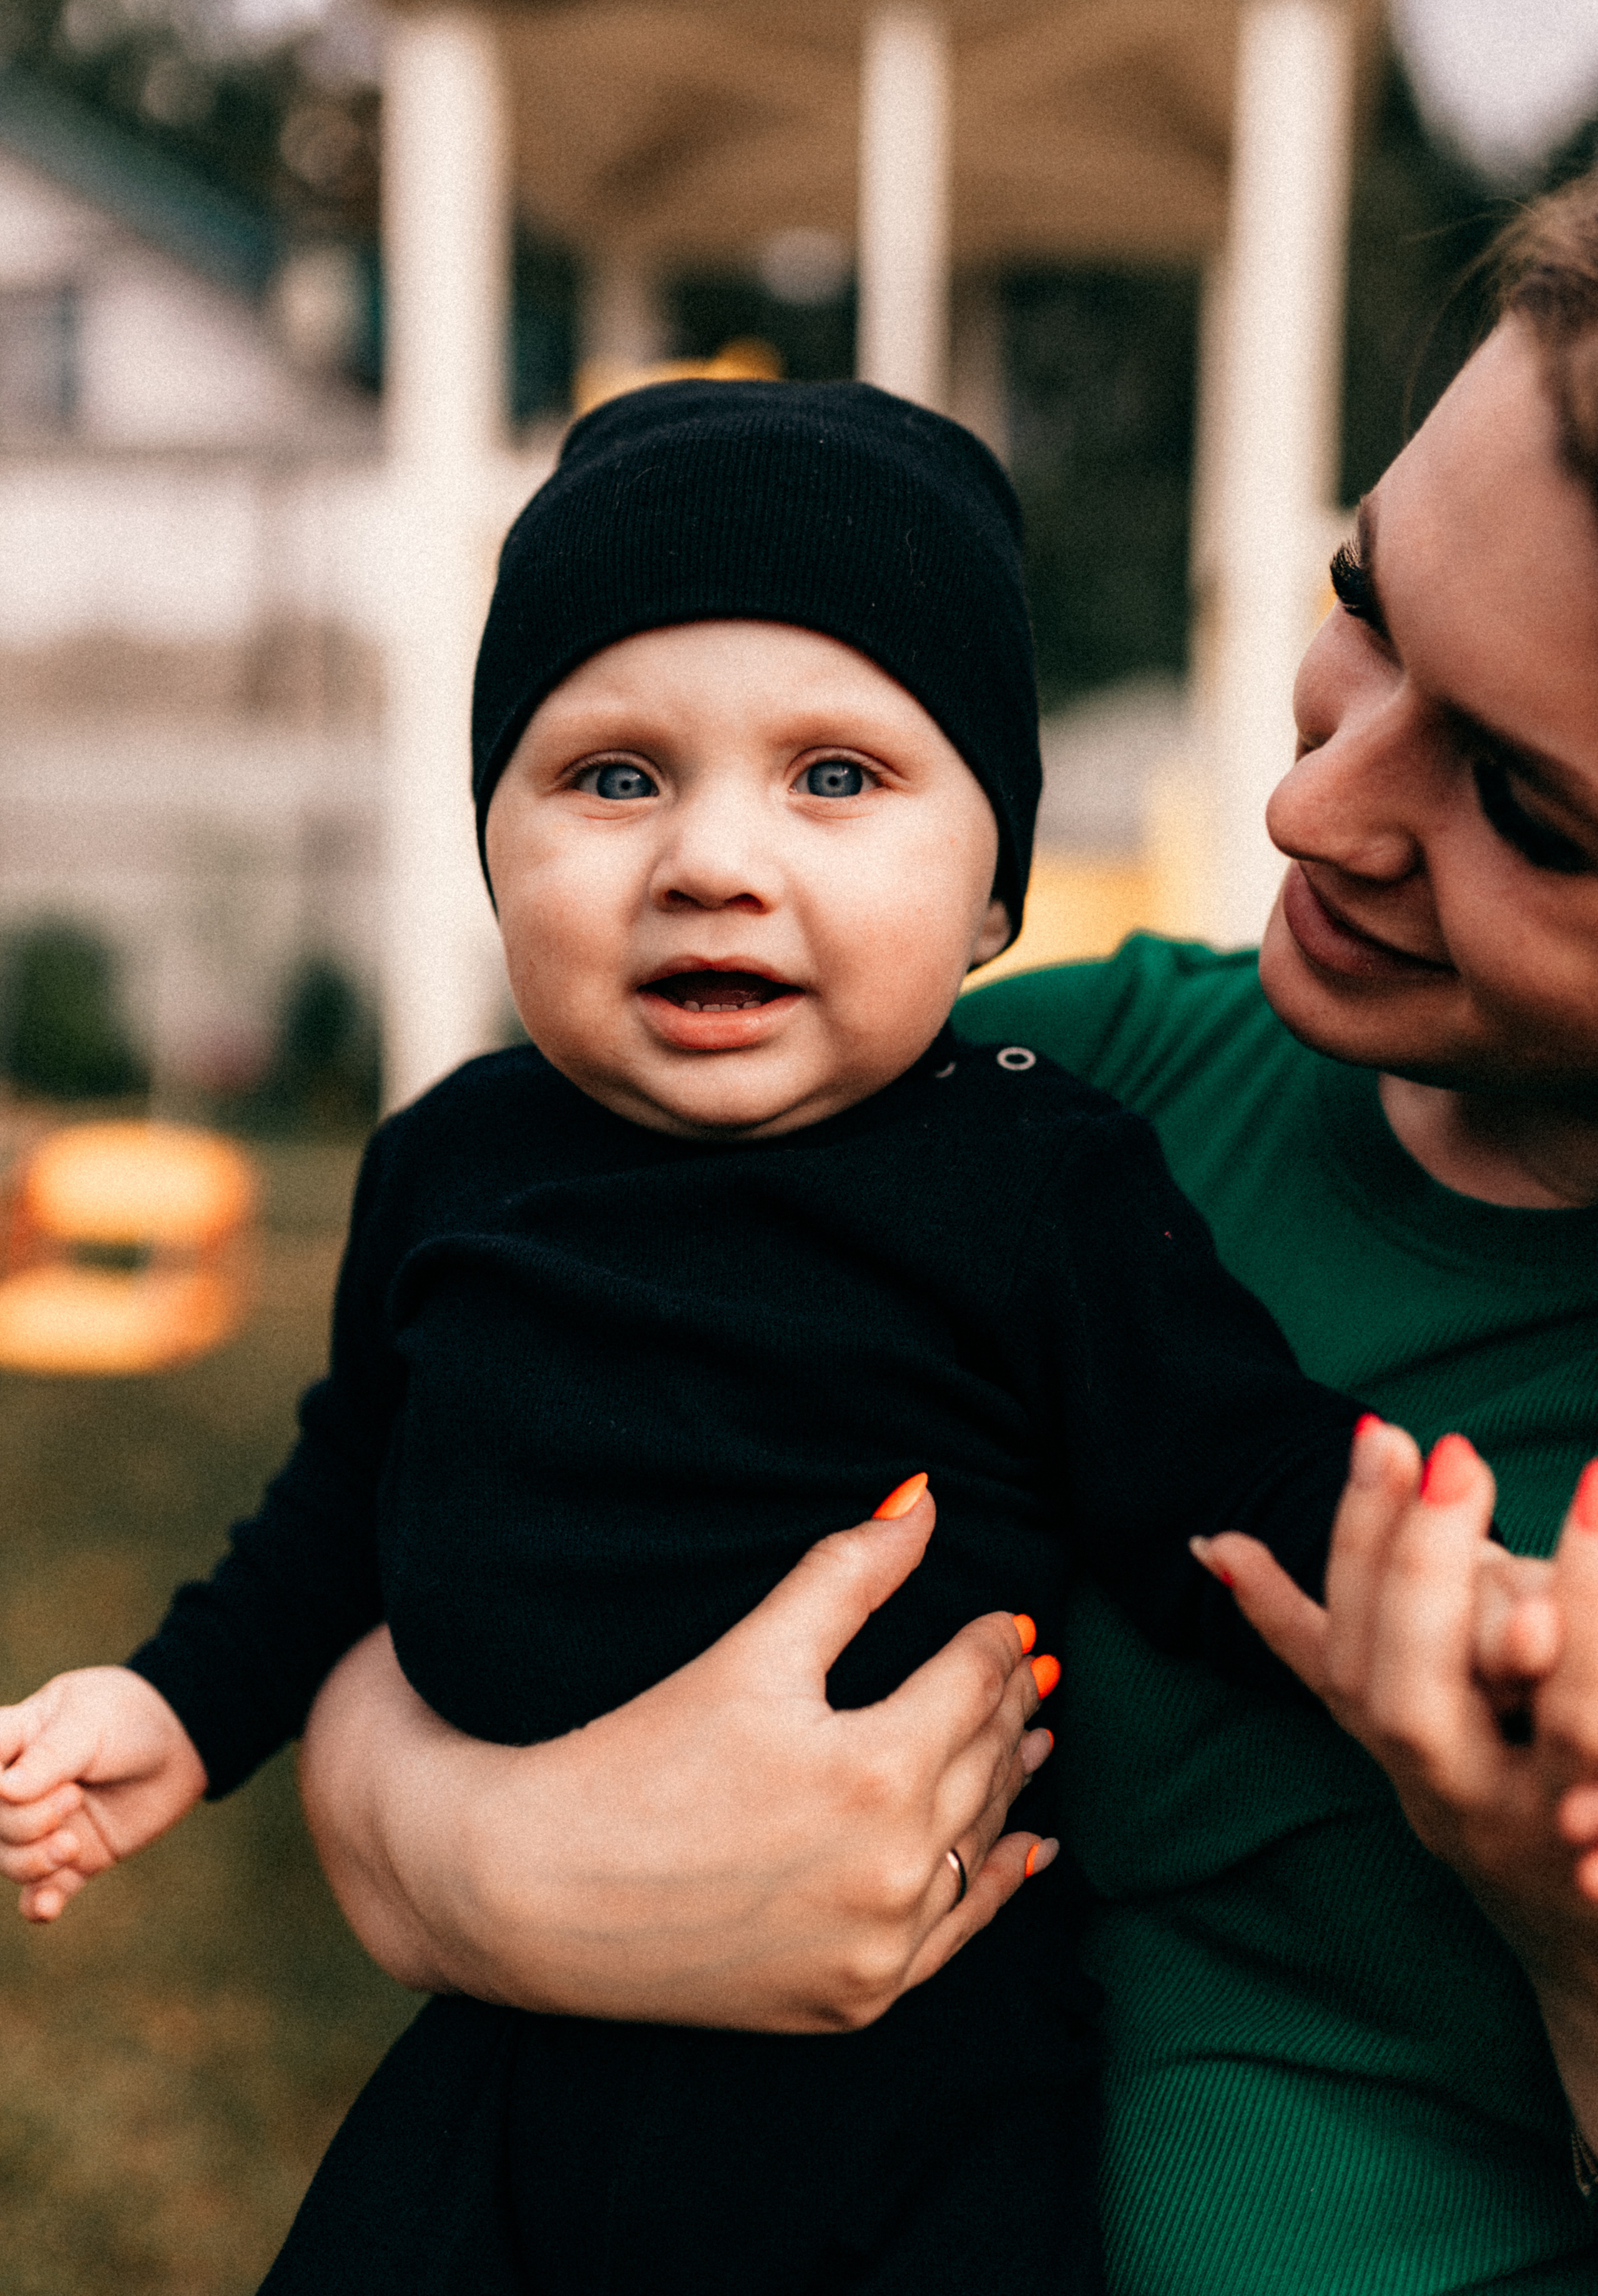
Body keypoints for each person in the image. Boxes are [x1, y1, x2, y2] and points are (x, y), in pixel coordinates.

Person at [260, 172, 1598, 2294]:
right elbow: (416, 1517)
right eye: (1364, 602)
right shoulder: (1014, 1102)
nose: (1311, 809)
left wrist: (1572, 1943)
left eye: (1530, 809)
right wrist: (497, 1869)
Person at [0, 377, 1413, 2295]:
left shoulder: (1039, 1176)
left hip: (919, 2097)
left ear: (993, 882)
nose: (711, 861)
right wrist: (175, 1708)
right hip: (515, 2082)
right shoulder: (455, 1166)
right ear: (491, 835)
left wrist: (1456, 1609)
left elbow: (1234, 1471)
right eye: (612, 775)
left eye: (837, 777)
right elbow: (346, 1497)